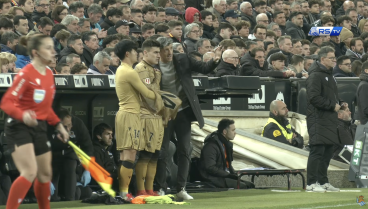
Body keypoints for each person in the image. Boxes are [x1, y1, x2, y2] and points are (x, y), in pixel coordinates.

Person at [0, 34, 69, 209]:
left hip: (39, 126)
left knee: (45, 174)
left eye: (53, 47)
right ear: (35, 52)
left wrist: (59, 125)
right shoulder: (26, 74)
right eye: (48, 48)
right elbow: (6, 102)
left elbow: (45, 109)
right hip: (18, 126)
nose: (53, 52)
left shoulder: (48, 74)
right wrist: (23, 115)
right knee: (30, 172)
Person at [154, 37, 220, 201]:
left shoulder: (182, 58)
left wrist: (215, 61)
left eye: (170, 48)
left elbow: (204, 68)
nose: (169, 52)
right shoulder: (152, 65)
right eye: (165, 50)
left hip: (183, 110)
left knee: (185, 149)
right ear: (158, 52)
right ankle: (161, 187)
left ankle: (181, 188)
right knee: (162, 151)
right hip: (163, 112)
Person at [114, 40, 157, 202]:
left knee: (127, 155)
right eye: (134, 51)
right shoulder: (129, 72)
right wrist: (162, 96)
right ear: (127, 53)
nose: (137, 54)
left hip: (126, 114)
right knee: (130, 154)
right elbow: (147, 93)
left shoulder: (121, 69)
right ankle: (124, 193)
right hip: (130, 115)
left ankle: (124, 192)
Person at [306, 46, 342, 193]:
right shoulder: (315, 75)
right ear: (322, 59)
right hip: (318, 118)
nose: (334, 61)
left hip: (328, 119)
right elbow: (314, 98)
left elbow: (330, 96)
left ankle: (323, 181)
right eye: (331, 58)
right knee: (317, 150)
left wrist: (341, 103)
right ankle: (311, 183)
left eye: (335, 58)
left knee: (327, 151)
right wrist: (332, 106)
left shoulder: (329, 74)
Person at [199, 119, 255, 189]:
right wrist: (228, 175)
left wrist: (233, 175)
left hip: (224, 176)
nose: (235, 133)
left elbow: (228, 164)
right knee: (243, 186)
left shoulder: (226, 144)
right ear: (225, 132)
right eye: (233, 130)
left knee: (250, 185)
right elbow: (210, 167)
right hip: (213, 178)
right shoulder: (211, 146)